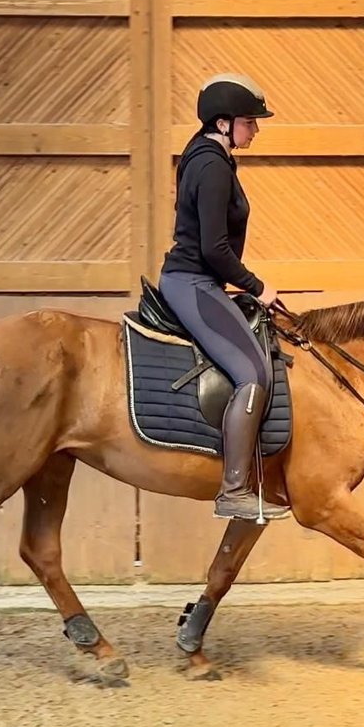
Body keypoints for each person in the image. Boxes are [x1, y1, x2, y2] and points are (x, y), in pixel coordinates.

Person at [157, 73, 290, 522]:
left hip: (200, 281)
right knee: (252, 374)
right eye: (250, 121)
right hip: (193, 282)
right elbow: (215, 248)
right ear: (223, 122)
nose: (256, 129)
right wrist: (258, 286)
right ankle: (233, 490)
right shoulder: (211, 165)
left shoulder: (210, 156)